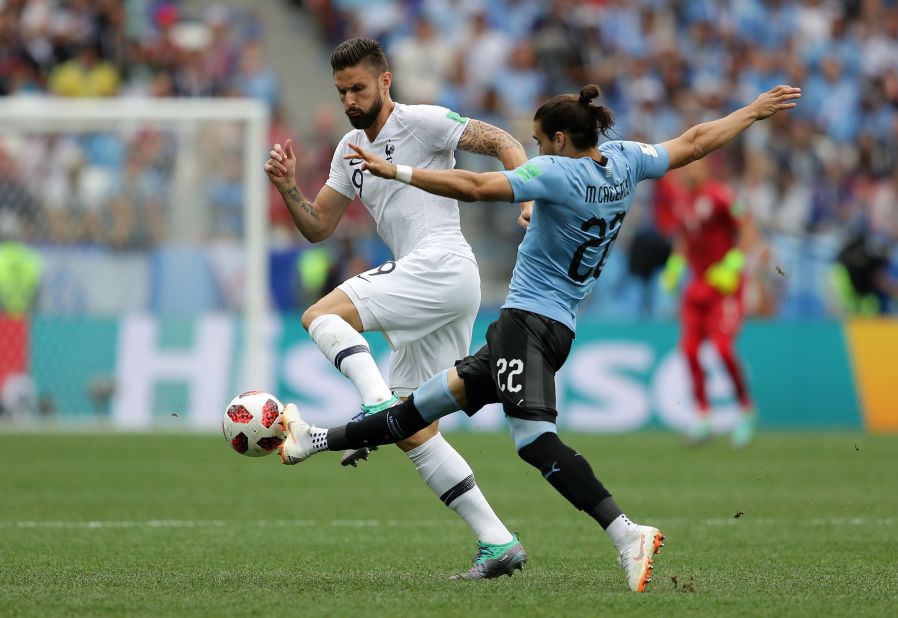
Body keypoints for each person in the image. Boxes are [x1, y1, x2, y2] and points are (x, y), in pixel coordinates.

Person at [276, 81, 800, 591]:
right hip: (549, 326)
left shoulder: (556, 173)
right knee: (409, 413)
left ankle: (626, 533)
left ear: (558, 140)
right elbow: (693, 142)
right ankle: (312, 440)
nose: (532, 149)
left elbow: (478, 187)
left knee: (532, 440)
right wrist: (751, 111)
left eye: (537, 140)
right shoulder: (624, 160)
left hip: (528, 323)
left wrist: (399, 171)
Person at [263, 37, 531, 579]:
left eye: (358, 88)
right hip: (437, 283)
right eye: (342, 92)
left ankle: (370, 403)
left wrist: (525, 195)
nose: (349, 100)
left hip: (442, 262)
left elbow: (503, 139)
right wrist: (290, 189)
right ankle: (498, 542)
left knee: (320, 317)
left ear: (385, 81)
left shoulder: (424, 122)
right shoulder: (346, 151)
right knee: (410, 428)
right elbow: (319, 226)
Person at [658, 158, 756, 447]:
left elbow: (747, 229)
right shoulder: (681, 201)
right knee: (688, 350)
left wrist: (734, 263)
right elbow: (684, 239)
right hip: (698, 287)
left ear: (704, 169)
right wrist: (676, 265)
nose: (689, 171)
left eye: (694, 167)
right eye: (685, 167)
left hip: (724, 287)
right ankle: (703, 415)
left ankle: (745, 410)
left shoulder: (720, 195)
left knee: (723, 349)